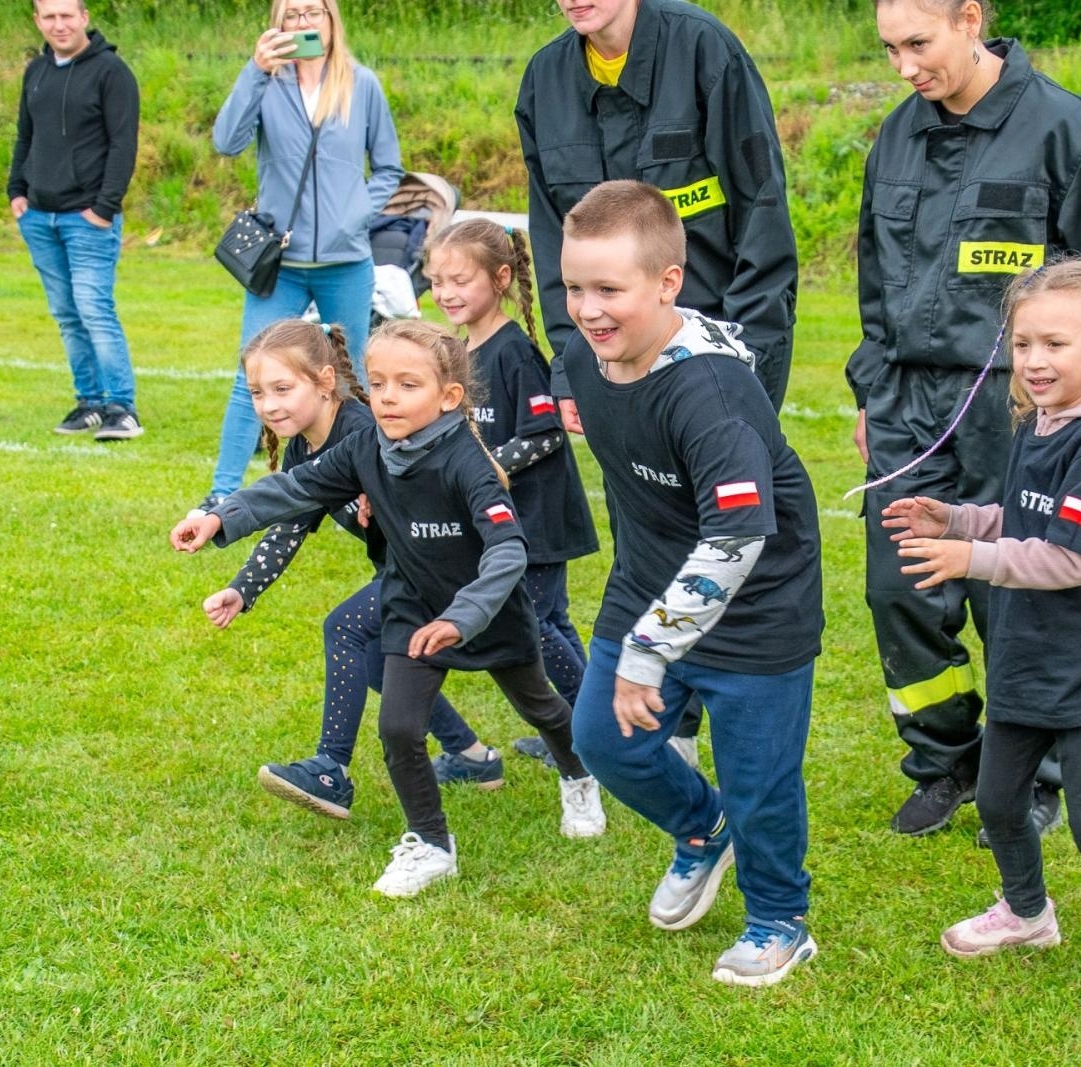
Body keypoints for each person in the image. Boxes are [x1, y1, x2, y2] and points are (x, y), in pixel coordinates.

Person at [853, 0, 1081, 837]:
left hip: (1027, 405)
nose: (904, 68)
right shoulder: (896, 135)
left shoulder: (1064, 128)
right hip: (907, 405)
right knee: (899, 590)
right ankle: (945, 756)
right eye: (889, 49)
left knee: (1019, 598)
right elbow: (874, 284)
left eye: (918, 44)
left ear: (971, 19)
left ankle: (1034, 768)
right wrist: (869, 392)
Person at [170, 319, 607, 897]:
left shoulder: (470, 462)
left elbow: (507, 551)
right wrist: (221, 517)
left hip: (486, 610)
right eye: (378, 384)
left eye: (407, 384)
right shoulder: (364, 446)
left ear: (449, 397)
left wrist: (464, 617)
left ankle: (578, 777)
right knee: (399, 728)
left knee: (543, 709)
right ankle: (430, 843)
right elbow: (294, 490)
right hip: (411, 605)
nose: (388, 398)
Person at [885, 260, 1081, 1013]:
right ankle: (1026, 911)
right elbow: (1022, 523)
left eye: (1056, 343)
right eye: (1023, 344)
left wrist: (968, 558)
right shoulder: (1041, 422)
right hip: (1027, 655)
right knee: (996, 799)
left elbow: (1071, 557)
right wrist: (953, 518)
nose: (1036, 360)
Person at [560, 181, 822, 987]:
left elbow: (739, 534)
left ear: (668, 282)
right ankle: (701, 830)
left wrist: (649, 650)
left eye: (610, 289)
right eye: (574, 287)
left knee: (760, 782)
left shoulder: (710, 392)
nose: (589, 309)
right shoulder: (582, 356)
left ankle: (779, 919)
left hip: (758, 607)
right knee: (602, 738)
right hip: (647, 580)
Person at [190, 319, 502, 818]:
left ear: (325, 381)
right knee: (376, 653)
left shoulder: (363, 430)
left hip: (447, 566)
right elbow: (290, 523)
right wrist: (242, 589)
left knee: (347, 629)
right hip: (406, 570)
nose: (269, 405)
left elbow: (435, 472)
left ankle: (330, 768)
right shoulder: (304, 445)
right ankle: (471, 756)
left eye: (283, 389)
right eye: (258, 392)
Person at [515, 0, 798, 422]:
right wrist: (570, 368)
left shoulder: (705, 49)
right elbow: (553, 241)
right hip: (614, 366)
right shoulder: (544, 80)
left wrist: (747, 355)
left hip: (717, 353)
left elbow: (764, 218)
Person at [198, 0, 403, 513]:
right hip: (280, 266)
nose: (304, 22)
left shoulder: (362, 84)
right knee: (254, 372)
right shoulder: (267, 83)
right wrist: (254, 71)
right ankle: (223, 491)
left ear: (332, 21)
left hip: (345, 261)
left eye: (314, 11)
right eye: (292, 14)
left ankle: (367, 487)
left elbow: (389, 169)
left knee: (351, 375)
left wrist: (353, 215)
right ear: (278, 24)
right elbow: (226, 142)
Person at [423, 218, 600, 779]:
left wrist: (492, 467)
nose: (446, 293)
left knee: (535, 626)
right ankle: (592, 729)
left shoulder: (514, 352)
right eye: (436, 281)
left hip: (539, 517)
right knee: (555, 622)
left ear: (501, 278)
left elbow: (545, 433)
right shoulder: (463, 349)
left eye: (459, 280)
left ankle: (587, 736)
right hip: (511, 520)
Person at [8, 0, 142, 441]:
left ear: (84, 17)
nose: (59, 24)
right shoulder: (36, 72)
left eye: (67, 15)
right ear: (38, 21)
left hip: (88, 219)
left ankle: (121, 408)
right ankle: (88, 402)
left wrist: (104, 207)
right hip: (40, 217)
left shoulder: (112, 72)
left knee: (94, 309)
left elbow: (123, 145)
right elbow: (25, 136)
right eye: (50, 16)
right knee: (67, 314)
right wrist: (17, 191)